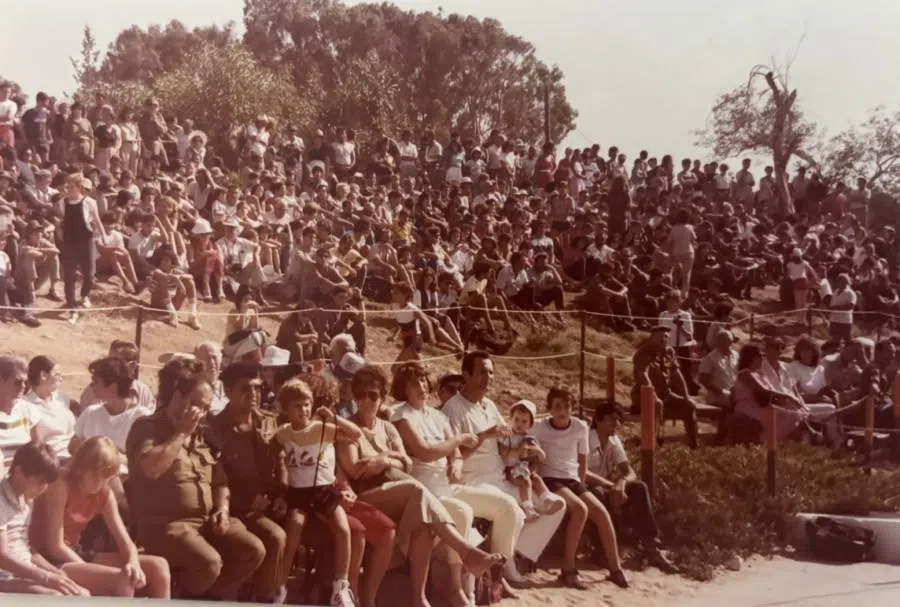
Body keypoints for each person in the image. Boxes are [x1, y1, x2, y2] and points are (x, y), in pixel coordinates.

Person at [336, 365, 504, 607]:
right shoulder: (350, 429)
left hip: (394, 492)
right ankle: (466, 552)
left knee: (424, 527)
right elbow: (354, 469)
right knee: (416, 490)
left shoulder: (387, 427)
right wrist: (389, 458)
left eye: (372, 395)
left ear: (382, 397)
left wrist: (383, 460)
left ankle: (419, 598)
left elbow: (405, 463)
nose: (366, 401)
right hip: (364, 495)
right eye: (360, 395)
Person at [125, 361, 265, 600]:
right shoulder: (148, 428)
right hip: (166, 525)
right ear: (177, 397)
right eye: (195, 404)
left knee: (253, 549)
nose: (200, 412)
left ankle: (208, 598)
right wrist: (181, 433)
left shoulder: (203, 434)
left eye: (205, 407)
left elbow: (220, 482)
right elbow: (150, 469)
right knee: (209, 562)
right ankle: (184, 595)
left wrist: (222, 509)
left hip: (206, 521)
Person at [389, 363, 518, 607]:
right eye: (414, 383)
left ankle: (494, 578)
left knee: (505, 506)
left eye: (423, 381)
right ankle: (459, 589)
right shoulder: (401, 416)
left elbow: (456, 454)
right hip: (423, 490)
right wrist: (458, 439)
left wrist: (456, 464)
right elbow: (425, 452)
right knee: (462, 511)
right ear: (403, 389)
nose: (421, 386)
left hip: (446, 486)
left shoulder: (437, 416)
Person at [442, 351, 567, 588]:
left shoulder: (488, 405)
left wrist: (524, 451)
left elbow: (508, 436)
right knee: (514, 510)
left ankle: (515, 553)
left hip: (501, 475)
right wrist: (485, 435)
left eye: (491, 372)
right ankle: (504, 569)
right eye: (482, 372)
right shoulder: (453, 409)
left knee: (556, 507)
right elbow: (455, 454)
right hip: (474, 479)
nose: (488, 377)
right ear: (466, 375)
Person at [31, 436, 171, 598]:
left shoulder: (104, 493)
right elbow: (55, 546)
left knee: (159, 567)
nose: (100, 482)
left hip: (76, 552)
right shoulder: (61, 484)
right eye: (96, 475)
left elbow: (126, 543)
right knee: (123, 579)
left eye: (106, 477)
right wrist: (89, 570)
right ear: (81, 468)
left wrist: (134, 563)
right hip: (48, 557)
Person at [204, 363, 288, 603]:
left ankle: (268, 593)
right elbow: (213, 478)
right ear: (228, 391)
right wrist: (247, 501)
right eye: (245, 388)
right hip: (233, 508)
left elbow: (281, 461)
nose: (253, 394)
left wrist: (282, 493)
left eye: (257, 388)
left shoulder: (268, 423)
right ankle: (256, 597)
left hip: (269, 502)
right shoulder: (214, 429)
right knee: (275, 536)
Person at [275, 378, 362, 607]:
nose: (303, 410)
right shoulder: (284, 433)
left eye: (307, 404)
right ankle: (280, 588)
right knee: (294, 528)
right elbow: (273, 451)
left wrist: (334, 418)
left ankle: (340, 587)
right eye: (297, 406)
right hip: (298, 493)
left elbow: (356, 435)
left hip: (324, 491)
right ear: (286, 409)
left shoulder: (320, 429)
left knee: (342, 529)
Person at [533, 387, 627, 589]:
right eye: (557, 406)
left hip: (573, 479)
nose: (562, 411)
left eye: (567, 406)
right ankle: (568, 568)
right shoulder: (540, 427)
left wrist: (582, 487)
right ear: (549, 408)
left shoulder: (580, 426)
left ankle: (615, 568)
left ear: (573, 408)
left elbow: (582, 462)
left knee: (601, 513)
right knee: (580, 509)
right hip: (550, 479)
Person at [587, 401, 677, 574]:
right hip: (584, 488)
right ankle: (600, 550)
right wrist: (612, 485)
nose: (616, 424)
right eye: (612, 419)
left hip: (607, 486)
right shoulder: (585, 439)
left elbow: (629, 471)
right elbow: (581, 473)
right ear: (598, 419)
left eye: (619, 420)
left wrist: (621, 482)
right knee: (597, 494)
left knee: (639, 487)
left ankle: (651, 547)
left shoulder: (613, 440)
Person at [0, 441, 89, 596]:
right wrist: (45, 577)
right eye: (40, 482)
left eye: (47, 483)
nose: (44, 489)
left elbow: (26, 549)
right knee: (55, 597)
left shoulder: (27, 499)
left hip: (25, 572)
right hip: (4, 576)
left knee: (81, 594)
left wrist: (54, 572)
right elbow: (2, 557)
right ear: (19, 472)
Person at [498, 399, 558, 522]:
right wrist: (517, 451)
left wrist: (537, 451)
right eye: (516, 419)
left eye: (524, 421)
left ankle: (547, 498)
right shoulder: (508, 436)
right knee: (525, 481)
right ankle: (528, 508)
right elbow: (503, 452)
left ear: (530, 425)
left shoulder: (530, 439)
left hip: (525, 467)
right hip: (511, 468)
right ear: (511, 419)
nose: (519, 424)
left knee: (536, 478)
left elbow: (542, 457)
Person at [24, 356, 75, 462]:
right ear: (43, 375)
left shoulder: (62, 399)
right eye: (57, 374)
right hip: (51, 459)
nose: (61, 378)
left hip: (74, 454)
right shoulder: (26, 405)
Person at [0, 356, 40, 470]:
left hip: (25, 471)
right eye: (17, 382)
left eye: (25, 382)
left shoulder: (28, 410)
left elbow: (37, 448)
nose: (23, 386)